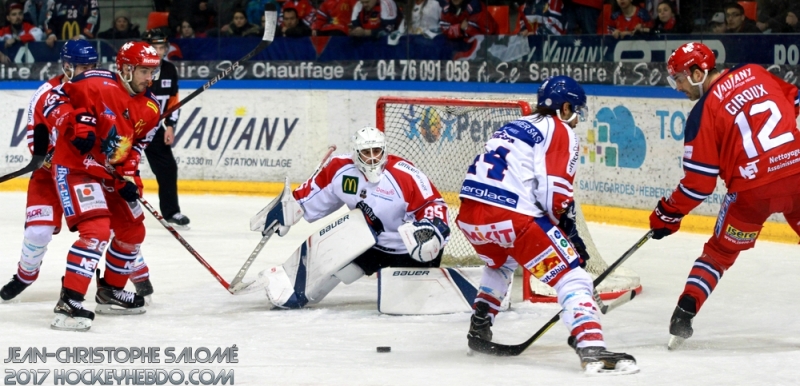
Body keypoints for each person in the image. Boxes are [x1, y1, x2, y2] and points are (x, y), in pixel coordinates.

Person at [457, 76, 638, 374]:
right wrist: (569, 238)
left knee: (502, 264)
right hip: (511, 216)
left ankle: (479, 328)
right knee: (573, 278)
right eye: (576, 110)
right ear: (565, 108)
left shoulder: (513, 126)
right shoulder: (561, 130)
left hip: (470, 217)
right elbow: (553, 196)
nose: (578, 119)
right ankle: (591, 346)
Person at [653, 42, 800, 348]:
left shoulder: (702, 113)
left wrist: (667, 214)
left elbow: (698, 185)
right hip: (797, 176)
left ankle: (684, 311)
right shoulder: (756, 72)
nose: (677, 87)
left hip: (751, 193)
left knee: (719, 254)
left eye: (679, 78)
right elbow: (795, 100)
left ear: (697, 72)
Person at [257, 127, 451, 309]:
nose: (373, 158)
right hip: (369, 245)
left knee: (409, 303)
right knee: (339, 268)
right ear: (356, 154)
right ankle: (295, 289)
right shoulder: (340, 170)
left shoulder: (404, 175)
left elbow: (434, 206)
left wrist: (431, 231)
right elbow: (310, 197)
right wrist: (288, 210)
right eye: (367, 152)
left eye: (377, 151)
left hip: (408, 250)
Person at [48, 40, 162, 331]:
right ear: (124, 69)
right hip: (76, 168)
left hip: (111, 173)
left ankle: (110, 289)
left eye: (153, 72)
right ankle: (69, 301)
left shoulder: (151, 108)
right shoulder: (92, 82)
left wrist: (129, 173)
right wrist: (75, 122)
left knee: (133, 228)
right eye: (143, 72)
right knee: (96, 230)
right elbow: (53, 102)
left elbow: (137, 144)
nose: (149, 79)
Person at [0, 40, 97, 302]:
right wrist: (46, 156)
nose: (88, 73)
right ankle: (24, 276)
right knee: (38, 231)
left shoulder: (101, 90)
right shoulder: (46, 92)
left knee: (105, 228)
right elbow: (35, 132)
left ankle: (117, 281)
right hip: (50, 172)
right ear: (67, 66)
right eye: (82, 67)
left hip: (87, 174)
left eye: (92, 66)